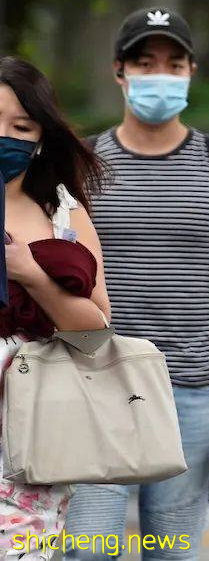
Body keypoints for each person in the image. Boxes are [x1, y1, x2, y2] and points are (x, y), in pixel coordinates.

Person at [64, 7, 209, 560]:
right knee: (89, 549)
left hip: (191, 389)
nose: (160, 74)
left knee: (173, 551)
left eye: (173, 64)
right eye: (145, 62)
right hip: (94, 382)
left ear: (191, 72)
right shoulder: (81, 164)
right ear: (119, 71)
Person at [0, 56, 110, 559]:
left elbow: (96, 333)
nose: (4, 136)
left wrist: (30, 273)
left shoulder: (64, 215)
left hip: (33, 440)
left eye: (20, 127)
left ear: (42, 137)